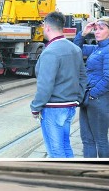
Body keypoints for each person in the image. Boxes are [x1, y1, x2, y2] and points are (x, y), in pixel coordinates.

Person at [30, 11, 87, 158]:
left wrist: (35, 107)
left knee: (55, 152)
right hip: (69, 107)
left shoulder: (50, 52)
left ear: (47, 27)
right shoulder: (75, 48)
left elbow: (45, 85)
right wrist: (77, 98)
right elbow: (82, 77)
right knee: (65, 146)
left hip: (53, 109)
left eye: (43, 27)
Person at [73, 16, 109, 158]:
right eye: (95, 29)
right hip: (88, 98)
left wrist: (93, 94)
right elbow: (76, 50)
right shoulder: (97, 48)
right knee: (87, 140)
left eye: (101, 28)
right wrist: (83, 33)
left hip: (98, 99)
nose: (97, 32)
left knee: (100, 140)